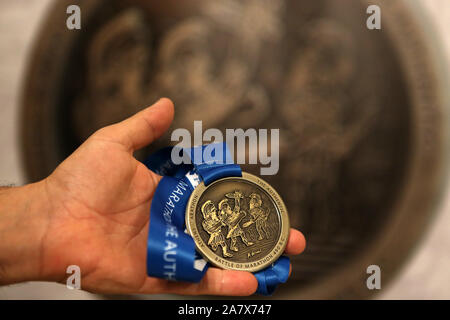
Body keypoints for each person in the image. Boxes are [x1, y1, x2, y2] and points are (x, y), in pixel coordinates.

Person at [0, 98, 306, 296]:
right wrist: (47, 216)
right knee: (233, 236)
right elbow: (221, 223)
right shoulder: (219, 214)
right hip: (219, 231)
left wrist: (42, 220)